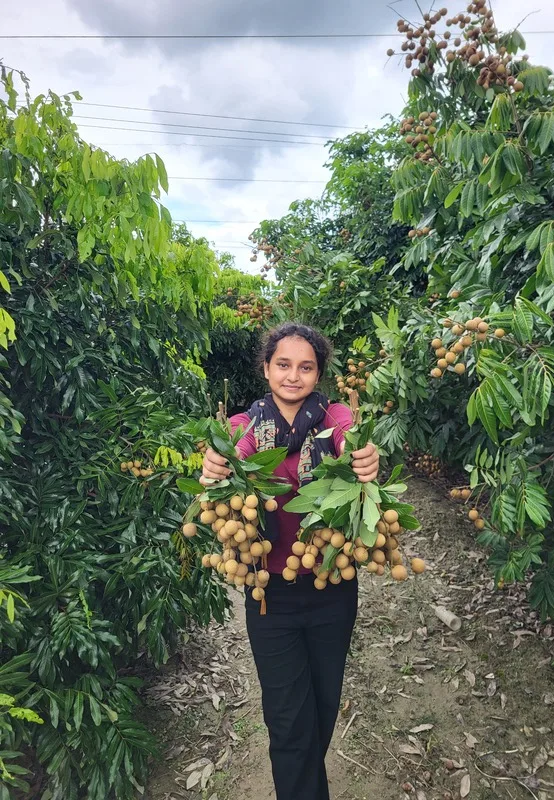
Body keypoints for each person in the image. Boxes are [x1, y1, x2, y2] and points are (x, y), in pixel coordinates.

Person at [201, 322, 379, 800]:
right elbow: (231, 454)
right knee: (286, 719)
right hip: (270, 597)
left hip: (331, 588)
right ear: (266, 368)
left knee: (321, 709)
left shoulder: (334, 416)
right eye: (283, 365)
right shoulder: (245, 425)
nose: (293, 376)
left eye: (306, 367)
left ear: (318, 374)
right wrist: (216, 468)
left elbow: (348, 436)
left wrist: (362, 456)